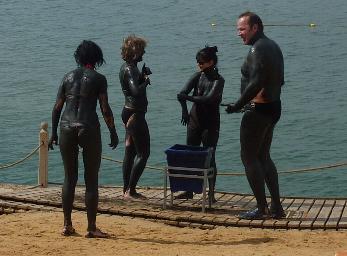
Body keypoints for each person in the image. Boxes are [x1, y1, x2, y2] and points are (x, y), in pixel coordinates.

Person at [48, 40, 119, 238]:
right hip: (88, 127)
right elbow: (105, 109)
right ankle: (91, 227)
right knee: (91, 179)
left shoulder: (67, 77)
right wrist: (112, 131)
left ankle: (67, 225)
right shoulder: (99, 79)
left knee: (69, 178)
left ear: (78, 57)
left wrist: (54, 132)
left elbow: (57, 108)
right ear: (97, 58)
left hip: (66, 127)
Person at [225, 12, 285, 220]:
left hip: (258, 111)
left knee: (249, 157)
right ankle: (276, 207)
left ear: (255, 28)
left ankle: (262, 208)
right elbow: (279, 80)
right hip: (273, 107)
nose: (239, 33)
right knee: (263, 156)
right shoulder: (273, 46)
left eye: (242, 29)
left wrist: (237, 105)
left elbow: (256, 81)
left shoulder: (258, 48)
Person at [177, 46, 225, 203]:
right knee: (191, 155)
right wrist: (184, 111)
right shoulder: (197, 76)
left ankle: (211, 194)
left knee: (210, 157)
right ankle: (189, 190)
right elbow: (181, 94)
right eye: (197, 62)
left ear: (211, 62)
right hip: (194, 120)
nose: (199, 65)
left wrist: (188, 98)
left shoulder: (218, 80)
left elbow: (208, 99)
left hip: (210, 124)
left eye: (202, 62)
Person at [119, 35, 151, 200]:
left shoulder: (128, 68)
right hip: (135, 114)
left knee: (130, 152)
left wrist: (141, 76)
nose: (144, 53)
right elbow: (136, 91)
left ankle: (126, 189)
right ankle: (131, 191)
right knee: (143, 153)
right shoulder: (130, 69)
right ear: (135, 52)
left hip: (129, 111)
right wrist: (145, 81)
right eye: (142, 51)